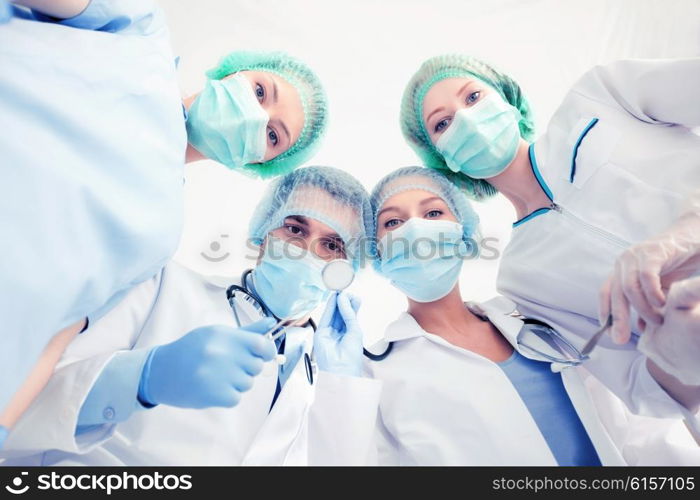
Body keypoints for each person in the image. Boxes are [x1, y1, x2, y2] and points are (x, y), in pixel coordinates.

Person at [0, 0, 328, 439]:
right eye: (260, 91)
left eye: (271, 136)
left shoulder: (159, 234)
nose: (255, 114)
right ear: (232, 72)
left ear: (255, 164)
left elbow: (54, 335)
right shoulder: (137, 35)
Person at [0, 166, 379, 465]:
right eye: (295, 228)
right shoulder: (162, 285)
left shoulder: (331, 370)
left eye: (331, 245)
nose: (307, 251)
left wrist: (342, 389)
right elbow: (23, 403)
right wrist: (142, 378)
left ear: (347, 268)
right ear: (264, 233)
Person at [398, 54, 700, 421]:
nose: (467, 120)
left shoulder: (600, 96)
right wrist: (680, 348)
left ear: (507, 99)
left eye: (473, 97)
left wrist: (688, 230)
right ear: (445, 161)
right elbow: (644, 390)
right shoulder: (522, 278)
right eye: (443, 123)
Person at [364, 166, 700, 465]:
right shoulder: (375, 373)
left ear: (464, 232)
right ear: (375, 251)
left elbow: (638, 427)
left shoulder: (536, 316)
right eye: (393, 222)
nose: (415, 229)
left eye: (434, 213)